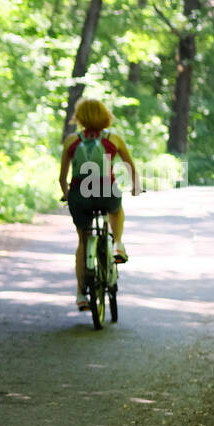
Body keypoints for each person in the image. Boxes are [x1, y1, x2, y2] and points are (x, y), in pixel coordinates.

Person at [59, 98, 137, 311]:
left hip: (79, 197)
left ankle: (81, 294)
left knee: (83, 242)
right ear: (105, 115)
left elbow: (62, 178)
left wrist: (67, 195)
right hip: (106, 192)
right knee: (116, 208)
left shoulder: (71, 141)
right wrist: (135, 186)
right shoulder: (114, 138)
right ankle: (118, 244)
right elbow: (130, 165)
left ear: (80, 117)